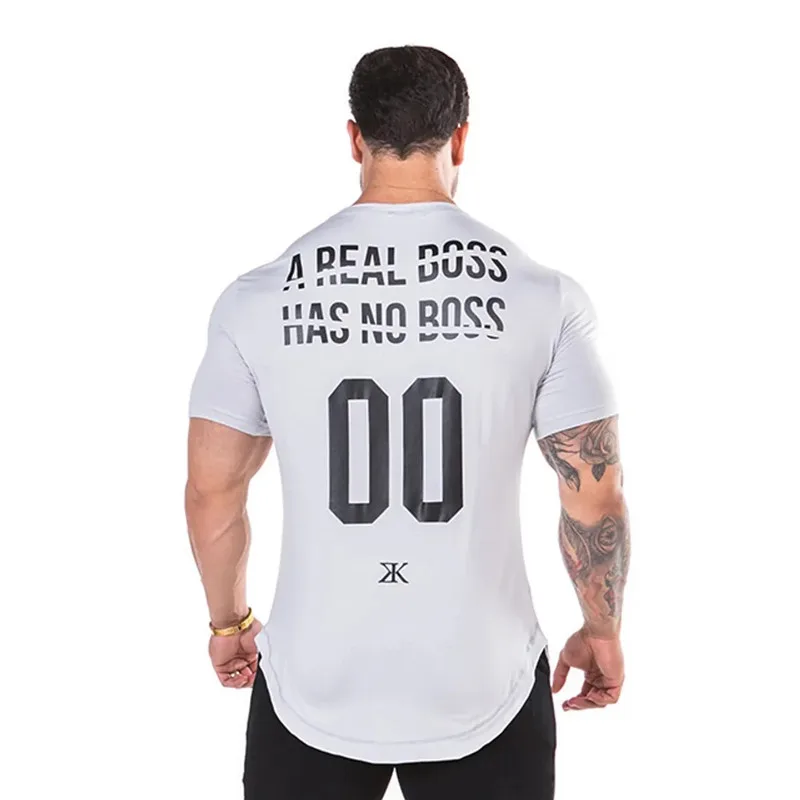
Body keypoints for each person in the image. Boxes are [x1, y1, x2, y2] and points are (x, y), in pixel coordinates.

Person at [185, 44, 630, 800]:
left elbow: (213, 494)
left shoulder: (255, 300)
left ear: (354, 138)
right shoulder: (543, 297)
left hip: (311, 681)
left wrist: (229, 625)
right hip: (485, 679)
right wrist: (603, 630)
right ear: (461, 137)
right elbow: (594, 495)